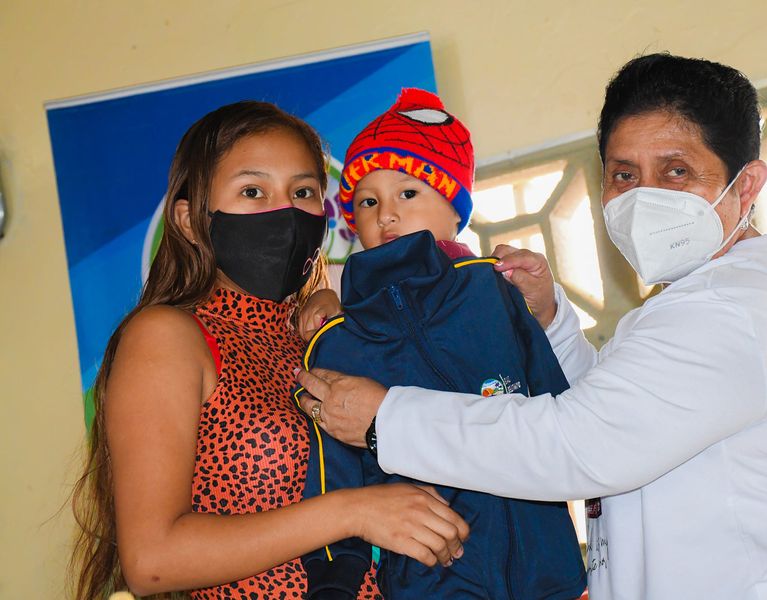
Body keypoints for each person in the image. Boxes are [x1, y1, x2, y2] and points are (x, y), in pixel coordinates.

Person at [297, 55, 767, 599]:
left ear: (748, 184)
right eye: (624, 174)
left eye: (677, 171)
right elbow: (613, 410)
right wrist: (549, 321)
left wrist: (387, 418)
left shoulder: (733, 308)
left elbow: (579, 445)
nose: (645, 195)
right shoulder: (690, 300)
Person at [69, 101, 468, 600]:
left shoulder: (324, 336)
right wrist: (356, 511)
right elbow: (152, 559)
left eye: (303, 192)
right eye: (253, 191)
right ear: (190, 221)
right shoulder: (168, 335)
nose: (286, 212)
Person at [296, 88, 586, 599]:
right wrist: (334, 578)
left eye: (408, 193)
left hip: (551, 575)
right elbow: (334, 470)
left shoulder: (495, 290)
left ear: (456, 209)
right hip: (431, 583)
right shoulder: (339, 334)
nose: (386, 215)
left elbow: (568, 415)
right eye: (367, 201)